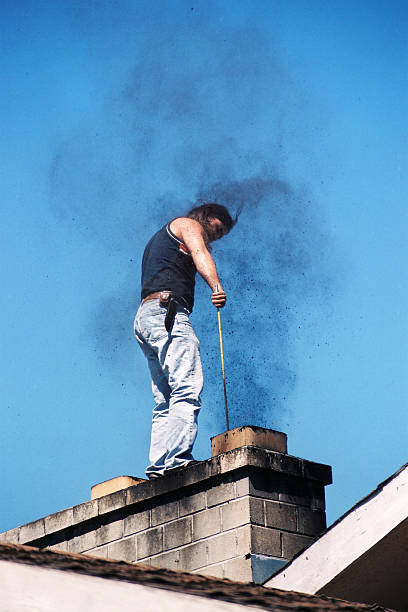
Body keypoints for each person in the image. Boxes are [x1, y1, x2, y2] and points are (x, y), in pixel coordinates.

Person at [134, 202, 236, 478]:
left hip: (147, 317)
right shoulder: (188, 225)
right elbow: (200, 252)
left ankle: (158, 468)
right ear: (208, 216)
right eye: (218, 229)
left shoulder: (162, 237)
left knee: (165, 398)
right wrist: (216, 287)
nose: (216, 237)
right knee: (186, 387)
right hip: (166, 312)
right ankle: (178, 461)